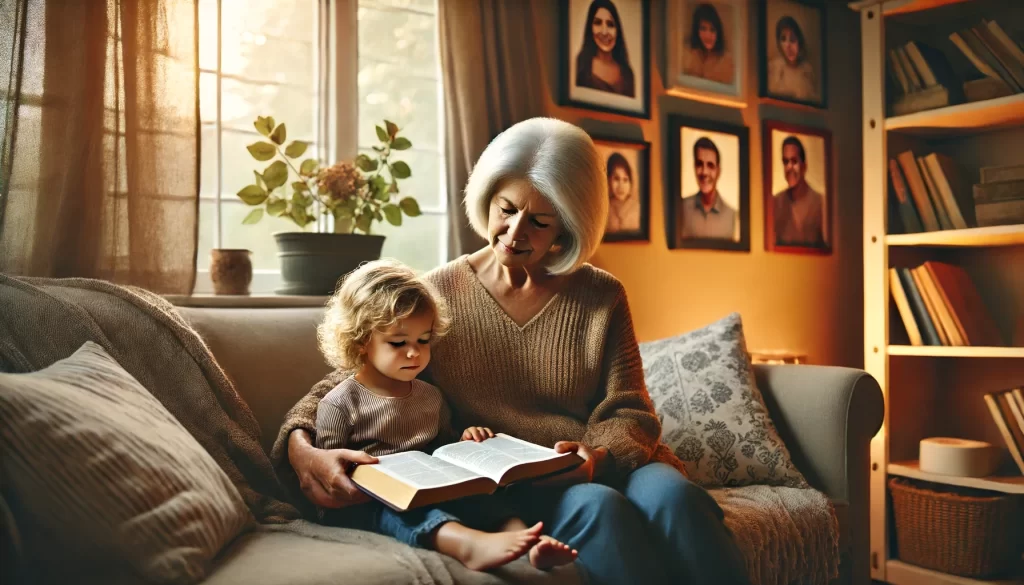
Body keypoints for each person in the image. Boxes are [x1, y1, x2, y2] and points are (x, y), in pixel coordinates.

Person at [273, 117, 751, 585]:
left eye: (539, 221)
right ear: (487, 197)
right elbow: (355, 376)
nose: (515, 232)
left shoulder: (602, 295)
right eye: (506, 208)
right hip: (520, 484)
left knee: (678, 499)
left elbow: (630, 408)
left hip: (605, 460)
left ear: (568, 226)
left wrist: (598, 456)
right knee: (600, 508)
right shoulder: (440, 292)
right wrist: (301, 448)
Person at [313, 258, 578, 571]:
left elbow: (443, 450)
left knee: (481, 496)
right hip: (372, 502)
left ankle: (529, 540)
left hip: (429, 488)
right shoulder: (340, 403)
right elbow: (330, 474)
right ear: (360, 343)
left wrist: (467, 441)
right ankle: (467, 545)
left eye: (423, 340)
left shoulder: (430, 396)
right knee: (407, 511)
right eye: (398, 343)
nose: (414, 352)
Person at [678, 136, 737, 242]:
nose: (704, 172)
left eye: (710, 165)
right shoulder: (681, 208)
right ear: (694, 167)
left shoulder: (731, 215)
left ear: (718, 171)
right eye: (699, 164)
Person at [773, 135, 826, 247]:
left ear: (804, 166)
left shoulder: (820, 203)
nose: (789, 167)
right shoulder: (775, 203)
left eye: (794, 161)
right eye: (786, 162)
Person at [575, 0, 636, 97]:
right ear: (590, 28)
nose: (604, 32)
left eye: (610, 24)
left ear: (617, 30)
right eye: (598, 23)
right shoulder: (581, 65)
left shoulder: (627, 74)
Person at [767, 15, 817, 102]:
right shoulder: (773, 68)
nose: (788, 46)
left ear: (799, 41)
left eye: (792, 39)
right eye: (783, 39)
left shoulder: (807, 70)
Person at [682, 3, 734, 85]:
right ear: (697, 31)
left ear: (718, 32)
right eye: (703, 29)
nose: (708, 36)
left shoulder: (726, 61)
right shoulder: (688, 55)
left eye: (712, 30)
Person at [605, 152, 639, 234]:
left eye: (625, 179)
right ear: (609, 180)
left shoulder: (637, 209)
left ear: (631, 183)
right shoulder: (604, 209)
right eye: (616, 178)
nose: (621, 186)